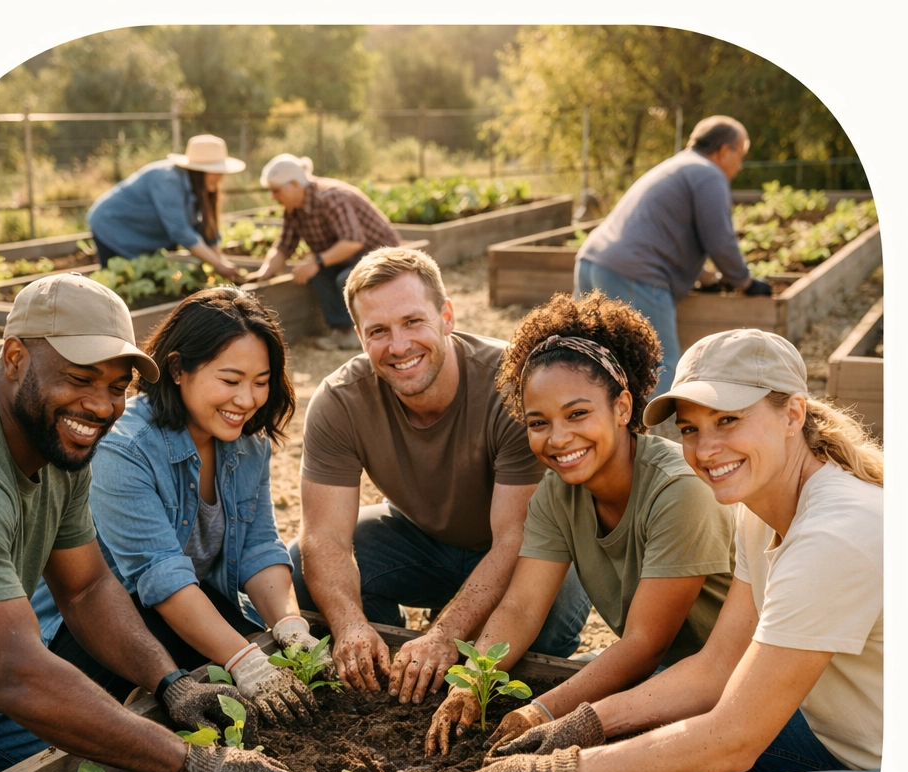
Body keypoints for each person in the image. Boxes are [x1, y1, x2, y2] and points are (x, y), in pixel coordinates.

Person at [443, 328, 882, 772]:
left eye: (729, 420)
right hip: (852, 743)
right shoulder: (762, 511)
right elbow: (716, 666)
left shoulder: (832, 532)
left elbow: (735, 737)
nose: (705, 447)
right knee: (676, 731)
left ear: (793, 414)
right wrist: (586, 721)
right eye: (693, 428)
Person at [0, 273, 310, 772]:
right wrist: (192, 762)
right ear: (14, 358)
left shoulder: (58, 446)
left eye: (117, 386)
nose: (101, 406)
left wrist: (169, 685)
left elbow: (87, 589)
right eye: (79, 378)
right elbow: (14, 674)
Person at [425, 291, 734, 756]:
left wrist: (542, 712)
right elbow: (522, 608)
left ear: (623, 408)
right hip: (660, 673)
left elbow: (643, 645)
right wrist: (473, 682)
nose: (558, 438)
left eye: (577, 414)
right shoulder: (558, 491)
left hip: (719, 680)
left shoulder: (678, 490)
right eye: (538, 422)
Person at [291, 246, 591, 707]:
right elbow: (325, 536)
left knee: (544, 624)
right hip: (424, 540)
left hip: (531, 550)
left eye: (413, 322)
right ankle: (380, 670)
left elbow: (515, 537)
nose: (398, 346)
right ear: (358, 335)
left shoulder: (513, 387)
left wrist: (446, 634)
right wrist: (351, 625)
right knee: (300, 564)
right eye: (378, 331)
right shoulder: (340, 400)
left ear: (446, 315)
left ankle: (482, 674)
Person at [31, 288, 324, 729]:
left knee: (270, 674)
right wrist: (245, 659)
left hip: (180, 606)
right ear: (177, 369)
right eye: (230, 381)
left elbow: (260, 547)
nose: (246, 400)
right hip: (91, 631)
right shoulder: (124, 448)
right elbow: (159, 575)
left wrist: (290, 624)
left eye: (260, 382)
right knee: (228, 689)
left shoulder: (246, 444)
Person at [575, 115, 772, 399]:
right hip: (635, 273)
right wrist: (744, 282)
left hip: (593, 261)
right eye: (739, 155)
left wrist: (707, 278)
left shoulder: (678, 166)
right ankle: (645, 435)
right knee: (660, 365)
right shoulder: (709, 174)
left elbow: (672, 234)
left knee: (599, 356)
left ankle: (600, 426)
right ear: (724, 151)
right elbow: (719, 239)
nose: (739, 165)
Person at [246, 153, 402, 351]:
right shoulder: (294, 209)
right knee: (317, 275)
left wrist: (316, 261)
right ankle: (342, 330)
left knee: (346, 279)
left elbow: (352, 242)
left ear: (294, 184)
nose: (273, 197)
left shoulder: (331, 197)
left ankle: (364, 331)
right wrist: (264, 273)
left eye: (276, 190)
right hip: (345, 257)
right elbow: (283, 246)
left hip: (378, 253)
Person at [86, 134, 246, 283]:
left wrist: (223, 263)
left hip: (141, 231)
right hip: (112, 224)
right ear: (199, 170)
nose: (220, 176)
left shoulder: (202, 187)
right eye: (215, 170)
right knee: (118, 281)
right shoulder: (168, 180)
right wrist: (217, 264)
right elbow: (180, 231)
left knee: (140, 279)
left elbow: (207, 228)